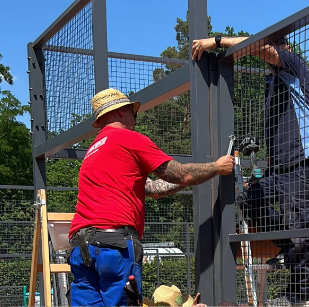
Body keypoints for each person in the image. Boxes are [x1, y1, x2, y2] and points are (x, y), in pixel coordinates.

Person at [192, 35, 309, 306]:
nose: (270, 54)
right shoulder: (272, 81)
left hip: (306, 161)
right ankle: (288, 246)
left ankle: (298, 294)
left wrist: (217, 41)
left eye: (275, 46)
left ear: (284, 47)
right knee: (249, 202)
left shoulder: (294, 65)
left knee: (300, 224)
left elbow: (259, 47)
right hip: (279, 167)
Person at [67, 88, 235, 307]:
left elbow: (153, 189)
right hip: (113, 246)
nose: (135, 119)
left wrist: (188, 181)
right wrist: (217, 167)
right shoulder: (128, 138)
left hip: (81, 248)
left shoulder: (94, 150)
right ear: (120, 112)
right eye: (133, 113)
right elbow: (182, 174)